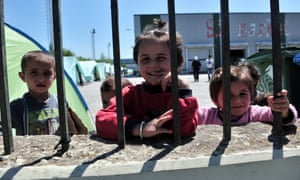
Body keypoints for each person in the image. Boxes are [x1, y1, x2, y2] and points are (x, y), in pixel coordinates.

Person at [95, 19, 199, 141]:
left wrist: (183, 89)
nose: (152, 65)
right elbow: (102, 120)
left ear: (177, 62)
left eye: (161, 58)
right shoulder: (130, 94)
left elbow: (184, 130)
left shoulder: (181, 95)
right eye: (145, 59)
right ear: (137, 63)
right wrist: (139, 128)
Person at [10, 50, 87, 135]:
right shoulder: (16, 107)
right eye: (34, 73)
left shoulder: (60, 102)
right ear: (22, 76)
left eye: (47, 73)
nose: (41, 79)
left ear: (54, 77)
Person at [198, 65, 297, 126]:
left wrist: (282, 109)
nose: (237, 100)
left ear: (251, 95)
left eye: (243, 94)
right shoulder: (207, 115)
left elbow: (283, 118)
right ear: (215, 100)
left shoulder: (255, 113)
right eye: (228, 95)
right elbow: (188, 117)